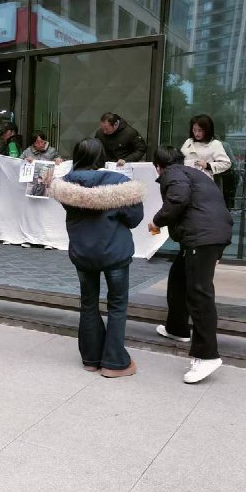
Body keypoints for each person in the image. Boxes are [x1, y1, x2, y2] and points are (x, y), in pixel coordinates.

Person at [52, 137, 145, 377]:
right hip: (115, 252)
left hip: (83, 253)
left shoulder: (67, 185)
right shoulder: (119, 182)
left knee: (89, 303)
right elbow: (134, 218)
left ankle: (91, 359)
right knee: (117, 305)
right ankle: (114, 363)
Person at [149, 146, 233, 384]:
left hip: (202, 237)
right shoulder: (193, 173)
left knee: (199, 292)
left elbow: (178, 198)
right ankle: (177, 328)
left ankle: (207, 356)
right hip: (211, 233)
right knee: (178, 276)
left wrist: (157, 220)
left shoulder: (173, 173)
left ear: (159, 166)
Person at [180, 114, 231, 184]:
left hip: (203, 181)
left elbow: (226, 163)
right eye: (194, 130)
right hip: (186, 180)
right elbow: (180, 158)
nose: (196, 133)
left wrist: (208, 165)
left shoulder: (215, 144)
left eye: (200, 130)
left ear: (207, 130)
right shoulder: (189, 141)